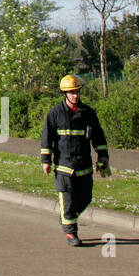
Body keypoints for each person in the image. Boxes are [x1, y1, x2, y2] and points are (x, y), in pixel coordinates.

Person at [40, 74, 109, 247]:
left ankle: (66, 217)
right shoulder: (55, 114)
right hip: (64, 166)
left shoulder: (88, 113)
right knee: (68, 199)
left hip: (84, 166)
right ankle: (71, 234)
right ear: (64, 94)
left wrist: (103, 156)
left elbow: (98, 136)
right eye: (71, 92)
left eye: (77, 92)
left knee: (85, 198)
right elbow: (47, 139)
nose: (75, 95)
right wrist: (46, 160)